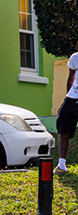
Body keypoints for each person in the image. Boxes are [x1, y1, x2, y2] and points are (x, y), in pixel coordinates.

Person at [56, 41, 78, 175]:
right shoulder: (75, 58)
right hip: (72, 97)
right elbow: (71, 78)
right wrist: (66, 99)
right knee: (63, 127)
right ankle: (62, 164)